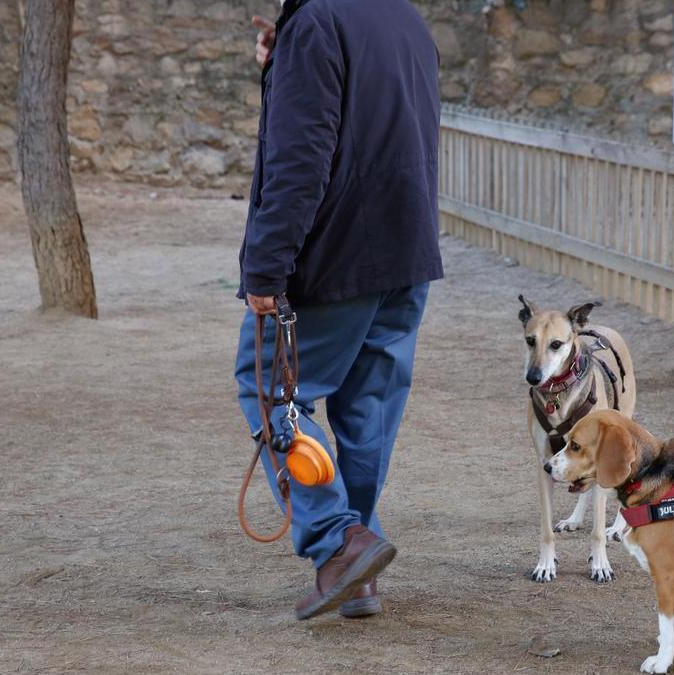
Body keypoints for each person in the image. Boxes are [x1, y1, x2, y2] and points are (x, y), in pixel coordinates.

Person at [235, 0, 442, 621]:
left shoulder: (316, 24)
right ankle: (359, 568)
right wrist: (281, 64)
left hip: (336, 256)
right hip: (405, 250)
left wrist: (267, 267)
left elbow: (300, 158)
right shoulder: (405, 18)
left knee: (269, 388)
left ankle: (338, 541)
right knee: (366, 413)